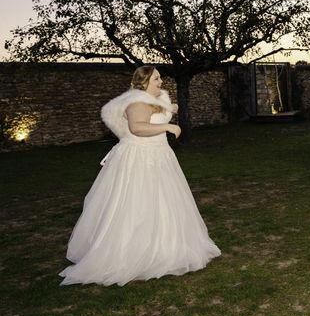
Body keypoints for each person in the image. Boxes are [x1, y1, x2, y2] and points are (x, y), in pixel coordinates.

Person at [60, 66, 221, 286]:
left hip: (159, 157)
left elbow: (153, 114)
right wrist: (168, 126)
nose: (161, 81)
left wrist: (170, 108)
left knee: (165, 203)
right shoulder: (136, 102)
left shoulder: (152, 99)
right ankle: (134, 252)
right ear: (144, 82)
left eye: (160, 77)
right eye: (156, 78)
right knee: (138, 203)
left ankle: (167, 247)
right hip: (140, 160)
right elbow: (137, 127)